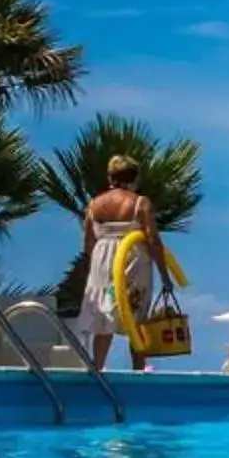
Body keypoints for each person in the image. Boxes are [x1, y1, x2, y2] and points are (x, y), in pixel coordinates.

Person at [80, 155, 170, 371]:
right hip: (132, 257)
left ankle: (98, 368)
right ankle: (138, 369)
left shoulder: (94, 205)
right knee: (136, 317)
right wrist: (165, 275)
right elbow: (153, 239)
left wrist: (96, 266)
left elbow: (88, 242)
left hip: (102, 260)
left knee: (103, 318)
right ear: (135, 177)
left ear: (110, 177)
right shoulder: (140, 202)